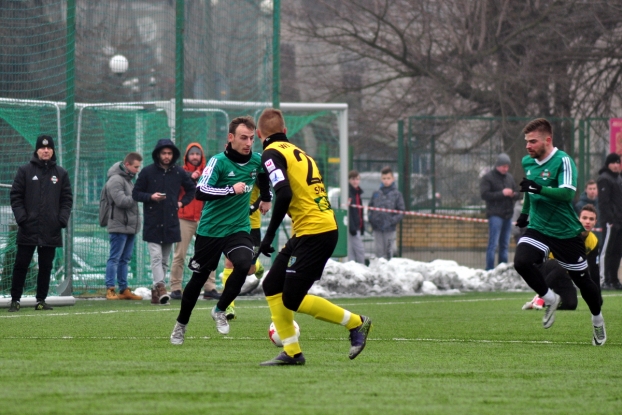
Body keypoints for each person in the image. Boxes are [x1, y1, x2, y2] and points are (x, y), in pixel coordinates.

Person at [254, 108, 372, 366]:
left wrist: (269, 234)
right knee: (272, 285)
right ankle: (292, 352)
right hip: (310, 230)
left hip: (315, 231)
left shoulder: (270, 154)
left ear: (259, 134)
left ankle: (357, 323)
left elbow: (283, 194)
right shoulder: (301, 154)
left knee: (292, 298)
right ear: (285, 131)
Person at [169, 116, 272, 344]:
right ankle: (181, 324)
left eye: (251, 138)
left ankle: (220, 309)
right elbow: (201, 190)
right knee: (198, 280)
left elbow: (263, 176)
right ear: (231, 137)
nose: (248, 143)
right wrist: (229, 190)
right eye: (243, 138)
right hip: (211, 230)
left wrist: (266, 198)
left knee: (246, 265)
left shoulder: (257, 160)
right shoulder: (218, 162)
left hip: (238, 228)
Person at [514, 118, 606, 346]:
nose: (528, 146)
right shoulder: (528, 161)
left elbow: (567, 194)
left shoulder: (563, 161)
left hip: (565, 233)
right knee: (522, 261)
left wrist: (539, 188)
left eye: (533, 141)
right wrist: (525, 213)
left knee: (585, 285)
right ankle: (549, 298)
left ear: (547, 140)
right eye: (527, 141)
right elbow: (529, 191)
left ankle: (597, 320)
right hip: (538, 228)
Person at [8, 135, 73, 312]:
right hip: (28, 228)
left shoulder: (61, 174)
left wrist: (61, 219)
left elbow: (67, 199)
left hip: (51, 229)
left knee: (46, 266)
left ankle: (41, 300)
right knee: (21, 264)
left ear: (52, 151)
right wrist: (22, 218)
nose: (46, 151)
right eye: (43, 148)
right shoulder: (25, 171)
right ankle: (15, 300)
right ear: (37, 150)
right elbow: (15, 196)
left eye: (49, 148)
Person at [133, 139, 196, 306]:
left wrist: (182, 203)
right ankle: (161, 287)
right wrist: (150, 197)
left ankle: (156, 293)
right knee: (155, 257)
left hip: (171, 221)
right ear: (158, 154)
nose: (166, 156)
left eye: (169, 153)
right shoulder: (147, 172)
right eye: (163, 153)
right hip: (153, 221)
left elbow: (192, 189)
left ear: (173, 155)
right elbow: (136, 193)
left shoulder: (179, 172)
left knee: (164, 260)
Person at [522, 204, 601, 311]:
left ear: (595, 222)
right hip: (543, 265)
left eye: (591, 219)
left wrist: (597, 296)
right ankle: (540, 297)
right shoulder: (569, 233)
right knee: (562, 264)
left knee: (571, 304)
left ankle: (541, 303)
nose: (587, 221)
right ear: (578, 219)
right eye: (584, 218)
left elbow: (594, 270)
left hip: (561, 272)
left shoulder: (593, 241)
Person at [169, 143, 220, 301]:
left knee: (209, 254)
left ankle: (210, 288)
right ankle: (176, 288)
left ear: (202, 156)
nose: (195, 157)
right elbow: (175, 190)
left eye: (198, 154)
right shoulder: (180, 172)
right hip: (184, 218)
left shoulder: (208, 172)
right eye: (192, 154)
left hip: (205, 218)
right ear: (187, 156)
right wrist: (190, 178)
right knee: (180, 254)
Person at [219, 183, 266, 320]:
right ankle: (228, 305)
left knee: (249, 269)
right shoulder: (227, 167)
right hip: (232, 224)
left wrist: (252, 207)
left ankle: (256, 266)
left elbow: (266, 192)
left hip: (252, 224)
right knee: (229, 264)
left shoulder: (256, 169)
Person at [103, 152, 144, 301]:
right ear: (127, 165)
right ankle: (110, 288)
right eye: (135, 167)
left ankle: (123, 288)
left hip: (130, 226)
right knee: (114, 258)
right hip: (118, 226)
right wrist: (137, 195)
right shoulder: (115, 180)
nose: (137, 170)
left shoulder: (128, 180)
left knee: (124, 259)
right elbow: (121, 201)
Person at [480, 153, 520, 270]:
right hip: (495, 215)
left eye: (507, 167)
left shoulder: (509, 178)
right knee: (493, 244)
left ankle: (502, 269)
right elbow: (485, 194)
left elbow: (517, 193)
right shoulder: (488, 178)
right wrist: (502, 193)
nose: (505, 169)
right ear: (498, 165)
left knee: (504, 245)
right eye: (503, 166)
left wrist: (513, 194)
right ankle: (490, 269)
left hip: (508, 215)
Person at [597, 153, 622, 290]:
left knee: (617, 251)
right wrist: (609, 219)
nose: (617, 165)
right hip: (611, 222)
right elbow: (604, 202)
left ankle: (614, 279)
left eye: (618, 163)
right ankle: (604, 279)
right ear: (608, 164)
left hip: (619, 220)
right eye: (614, 163)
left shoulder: (618, 178)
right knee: (607, 250)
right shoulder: (604, 179)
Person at [368, 167, 405, 260]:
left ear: (393, 179)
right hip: (377, 228)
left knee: (389, 251)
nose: (386, 181)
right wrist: (372, 219)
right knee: (378, 252)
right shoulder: (376, 193)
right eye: (384, 178)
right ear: (381, 179)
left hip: (390, 228)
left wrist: (392, 221)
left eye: (388, 178)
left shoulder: (397, 194)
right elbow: (370, 208)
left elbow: (401, 211)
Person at [348, 170, 365, 264]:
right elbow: (349, 212)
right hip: (352, 228)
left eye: (357, 179)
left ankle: (354, 269)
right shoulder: (349, 193)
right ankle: (362, 268)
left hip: (357, 226)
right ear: (349, 180)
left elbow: (360, 211)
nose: (355, 181)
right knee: (360, 250)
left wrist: (362, 226)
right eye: (353, 179)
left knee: (353, 251)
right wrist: (352, 227)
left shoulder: (358, 193)